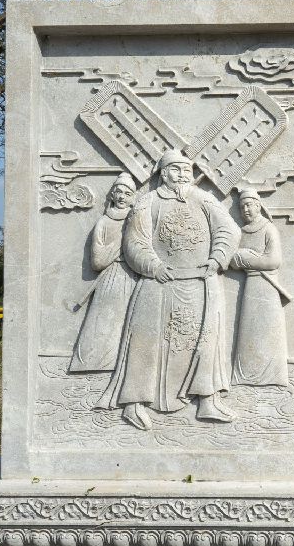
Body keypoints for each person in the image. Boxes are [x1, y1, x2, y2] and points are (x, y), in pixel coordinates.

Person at [96, 149, 240, 429]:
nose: (182, 175)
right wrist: (154, 266)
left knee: (206, 341)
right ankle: (134, 404)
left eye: (186, 170)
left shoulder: (203, 199)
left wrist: (217, 259)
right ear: (163, 173)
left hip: (201, 282)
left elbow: (230, 230)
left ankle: (207, 401)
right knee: (145, 343)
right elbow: (134, 242)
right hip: (159, 283)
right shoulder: (146, 203)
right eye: (175, 169)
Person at [69, 172, 138, 376]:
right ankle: (94, 363)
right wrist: (118, 248)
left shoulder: (136, 221)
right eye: (119, 192)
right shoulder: (103, 223)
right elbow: (97, 261)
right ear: (112, 195)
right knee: (104, 320)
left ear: (133, 197)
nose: (122, 196)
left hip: (134, 276)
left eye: (127, 193)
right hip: (112, 278)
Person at [230, 189, 290, 387]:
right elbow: (232, 260)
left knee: (268, 330)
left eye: (249, 205)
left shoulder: (268, 229)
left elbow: (273, 261)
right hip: (250, 285)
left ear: (258, 206)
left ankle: (273, 377)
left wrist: (246, 258)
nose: (246, 210)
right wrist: (239, 259)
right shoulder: (241, 232)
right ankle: (246, 375)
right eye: (242, 206)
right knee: (249, 330)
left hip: (267, 285)